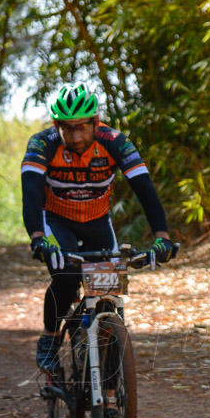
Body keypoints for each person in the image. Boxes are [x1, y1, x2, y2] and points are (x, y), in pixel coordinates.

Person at [22, 82, 176, 373]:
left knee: (110, 291)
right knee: (66, 275)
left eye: (82, 127)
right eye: (67, 129)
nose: (76, 136)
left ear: (95, 122)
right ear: (56, 125)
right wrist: (38, 238)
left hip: (97, 222)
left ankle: (108, 396)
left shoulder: (115, 141)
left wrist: (162, 237)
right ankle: (50, 338)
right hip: (56, 221)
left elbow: (145, 190)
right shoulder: (42, 144)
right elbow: (30, 193)